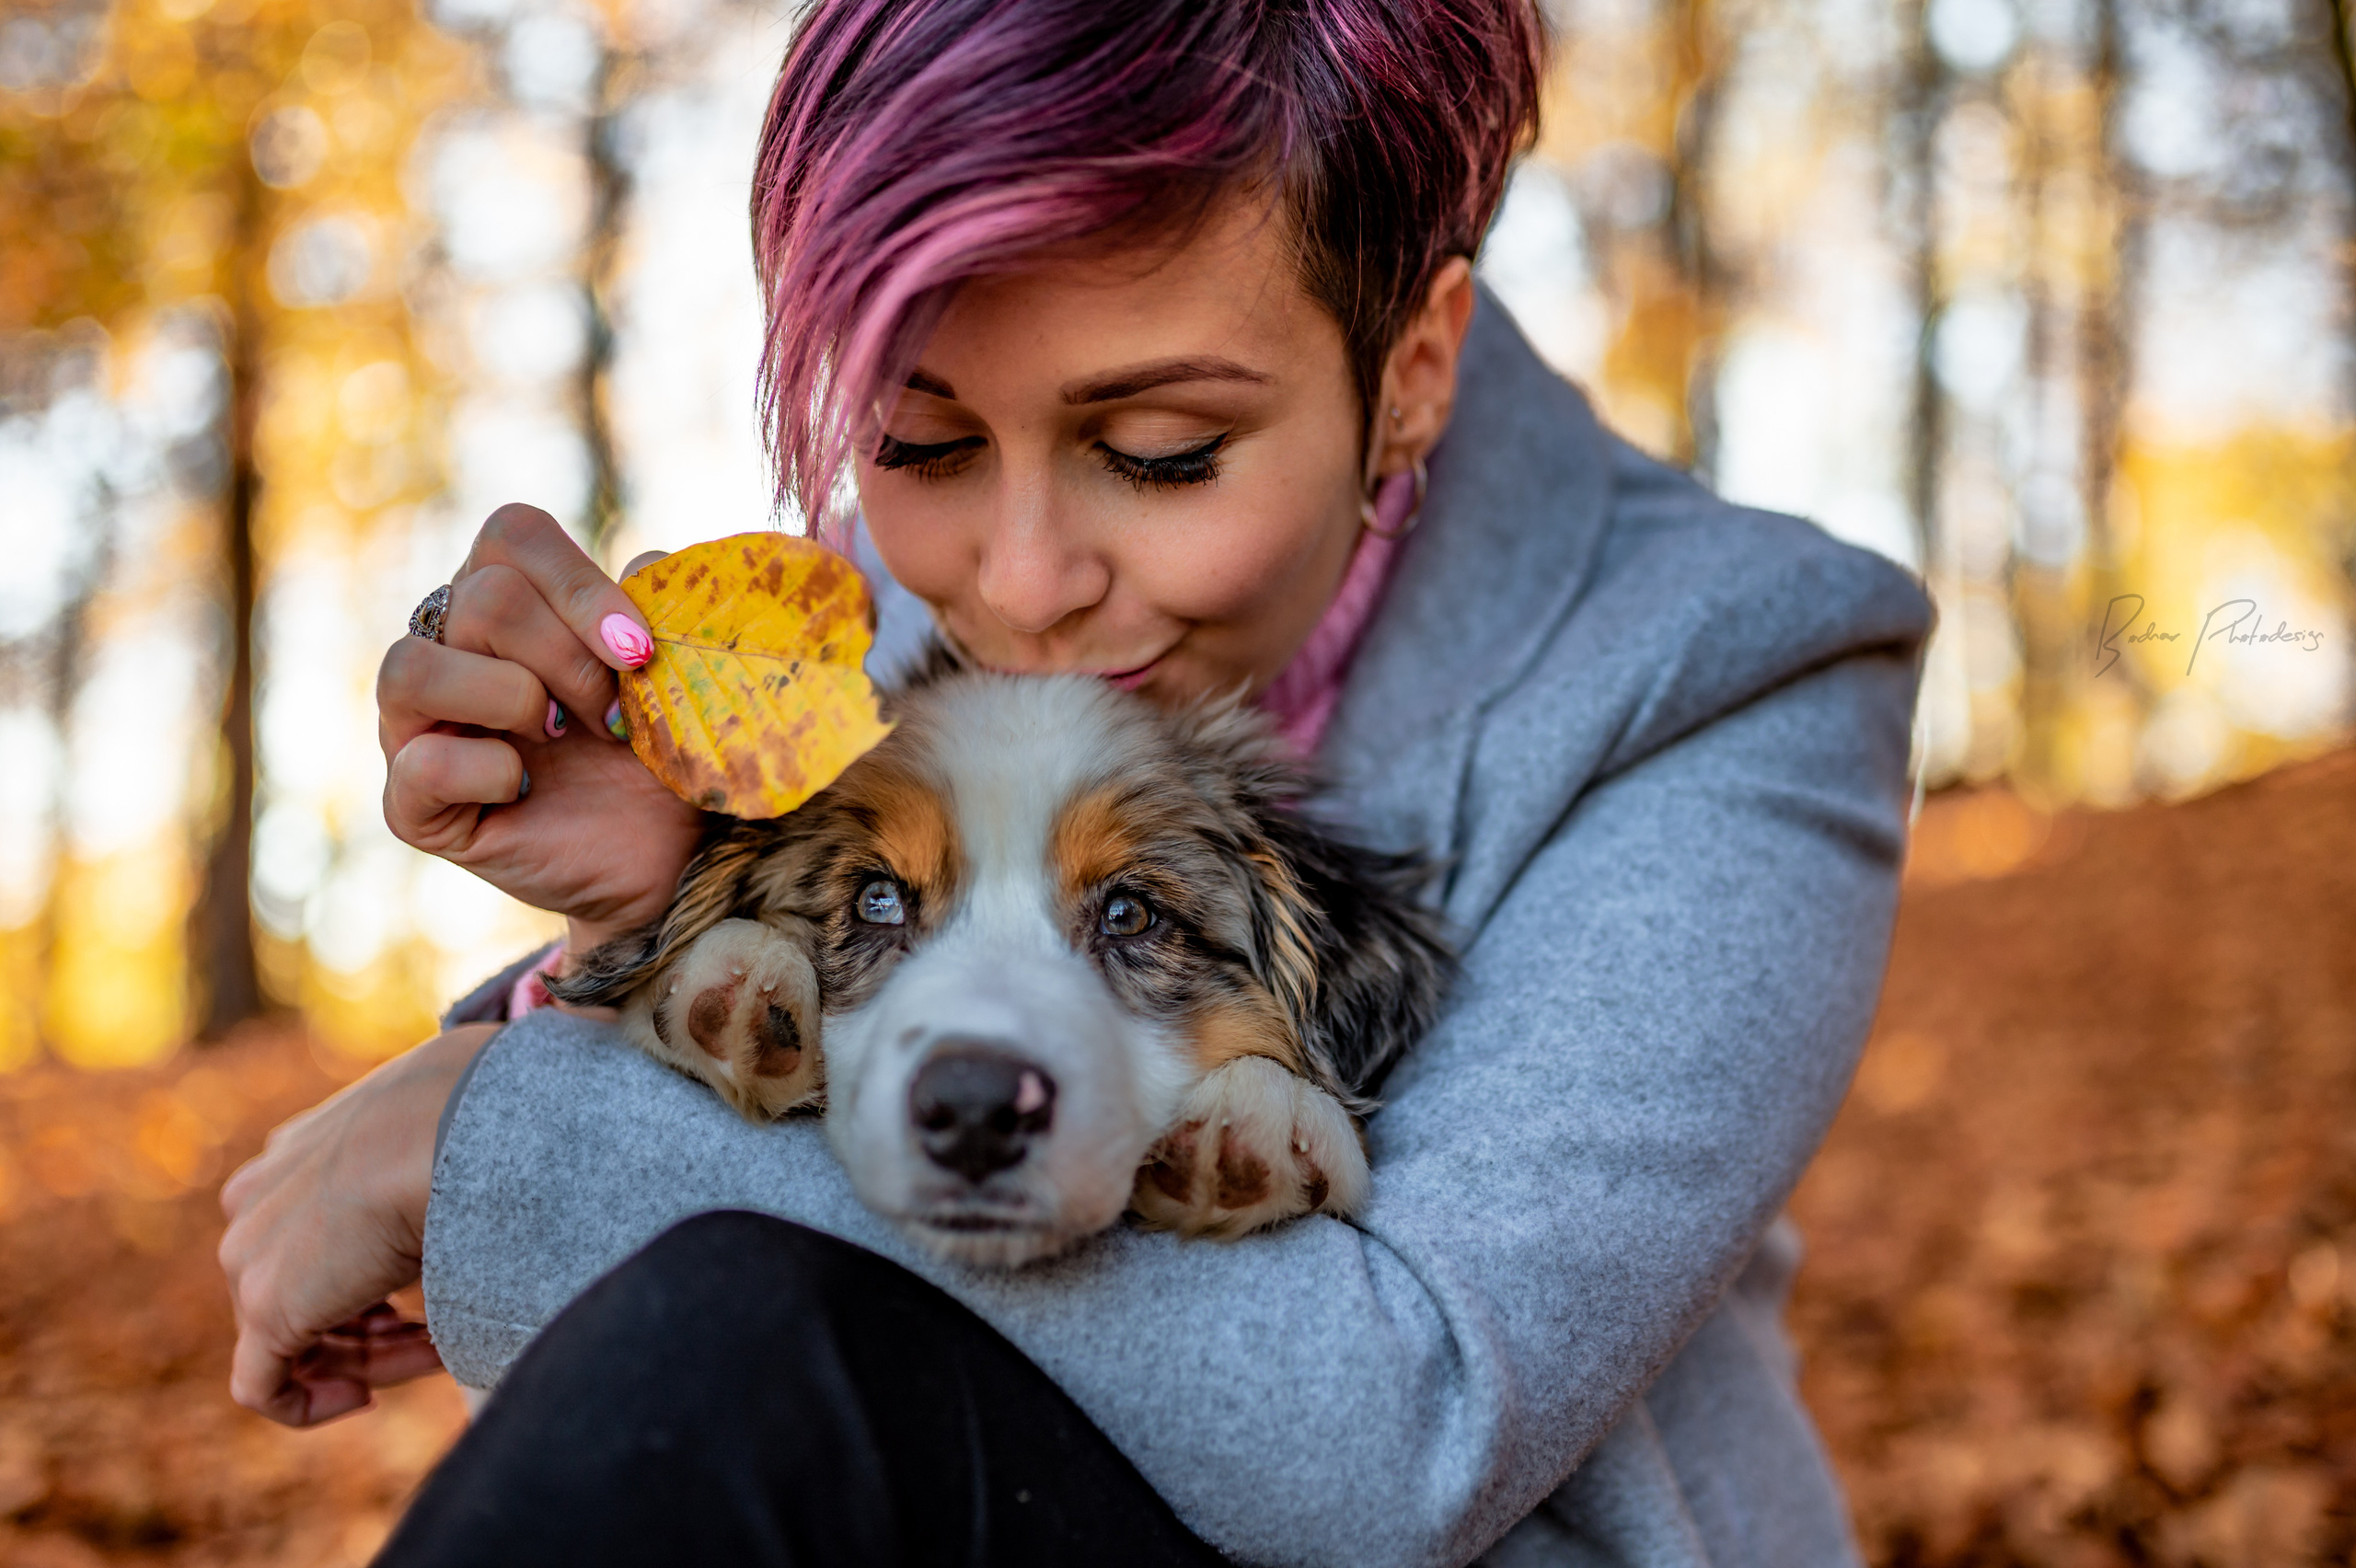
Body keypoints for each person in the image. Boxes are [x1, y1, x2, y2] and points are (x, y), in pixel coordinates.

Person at [216, 0, 1935, 1562]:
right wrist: (650, 901)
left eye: (1159, 454)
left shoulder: (1742, 660)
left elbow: (1404, 1436)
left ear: (1410, 369)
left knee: (740, 1323)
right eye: (924, 441)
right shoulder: (859, 627)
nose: (1020, 586)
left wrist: (512, 1146)